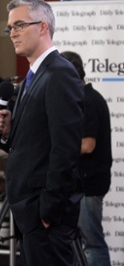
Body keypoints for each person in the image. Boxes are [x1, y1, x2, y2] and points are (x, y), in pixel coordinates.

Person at [0, 0, 84, 266]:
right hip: (29, 213)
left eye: (19, 25)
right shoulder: (34, 75)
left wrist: (48, 211)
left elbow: (65, 150)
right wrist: (7, 131)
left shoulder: (59, 74)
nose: (12, 33)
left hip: (45, 216)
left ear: (43, 27)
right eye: (9, 28)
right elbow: (35, 141)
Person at [61, 51, 112, 266]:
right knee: (81, 243)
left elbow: (88, 144)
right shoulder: (84, 99)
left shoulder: (88, 101)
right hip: (81, 183)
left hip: (87, 184)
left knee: (92, 244)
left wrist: (57, 148)